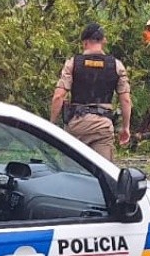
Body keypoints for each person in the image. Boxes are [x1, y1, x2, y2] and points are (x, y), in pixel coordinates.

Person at [49, 24, 132, 160]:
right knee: (104, 174)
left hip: (76, 126)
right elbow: (126, 100)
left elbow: (58, 96)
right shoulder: (116, 65)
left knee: (72, 172)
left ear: (85, 42)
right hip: (102, 127)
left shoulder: (73, 63)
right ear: (103, 41)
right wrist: (126, 127)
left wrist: (51, 124)